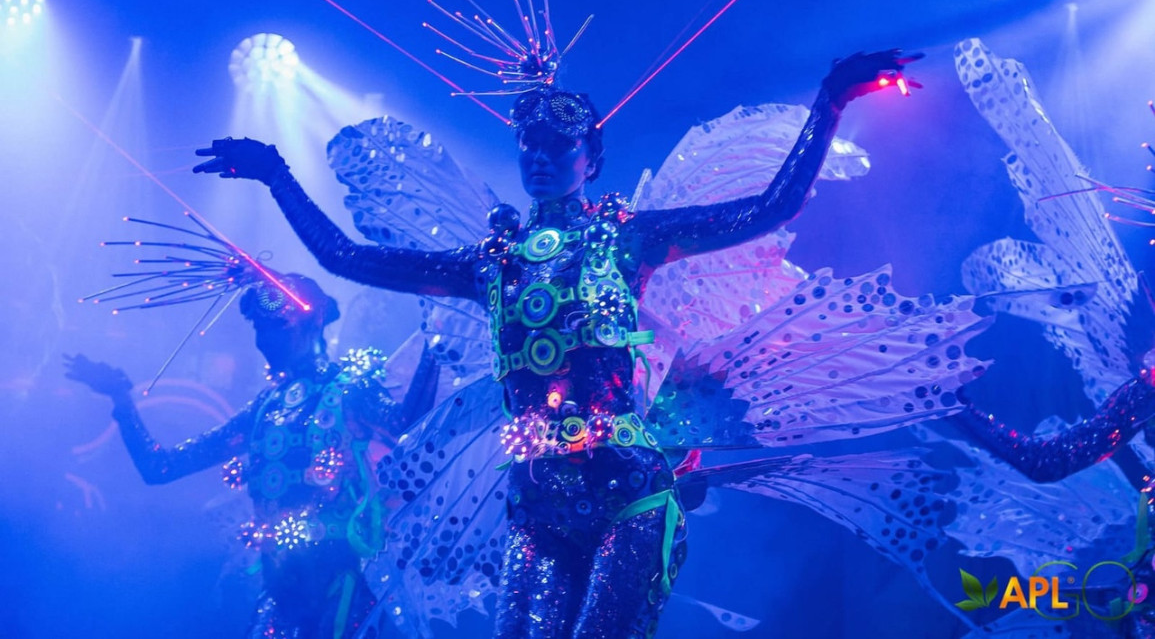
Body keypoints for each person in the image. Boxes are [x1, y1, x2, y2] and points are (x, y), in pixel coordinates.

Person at [192, 49, 917, 638]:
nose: (539, 157)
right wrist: (278, 176)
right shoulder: (491, 264)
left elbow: (768, 208)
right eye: (528, 146)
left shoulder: (626, 239)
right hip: (535, 505)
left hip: (625, 492)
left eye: (557, 145)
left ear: (589, 158)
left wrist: (829, 102)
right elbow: (348, 259)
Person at [66, 272, 438, 639]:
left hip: (342, 583)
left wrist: (438, 338)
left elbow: (409, 422)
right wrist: (121, 400)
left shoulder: (350, 388)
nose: (266, 340)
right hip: (280, 588)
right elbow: (161, 467)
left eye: (278, 326)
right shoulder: (266, 407)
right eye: (260, 328)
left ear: (314, 323)